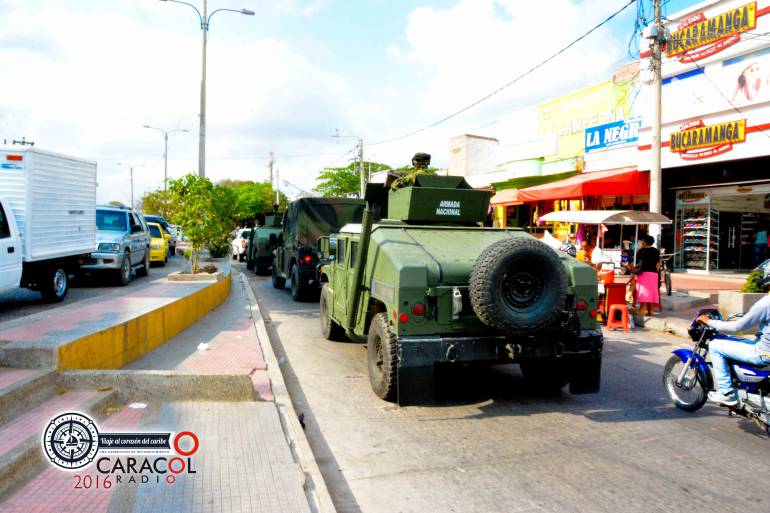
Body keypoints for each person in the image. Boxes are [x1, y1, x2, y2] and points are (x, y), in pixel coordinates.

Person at [697, 289, 770, 407]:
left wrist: (709, 321)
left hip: (763, 353)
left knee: (715, 345)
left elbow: (738, 327)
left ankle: (726, 393)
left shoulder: (766, 303)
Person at [633, 235, 660, 316]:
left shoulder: (641, 251)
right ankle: (650, 310)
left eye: (642, 241)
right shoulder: (656, 251)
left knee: (643, 292)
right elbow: (658, 264)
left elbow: (638, 263)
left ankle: (643, 309)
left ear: (645, 242)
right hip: (654, 274)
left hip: (644, 273)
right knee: (651, 293)